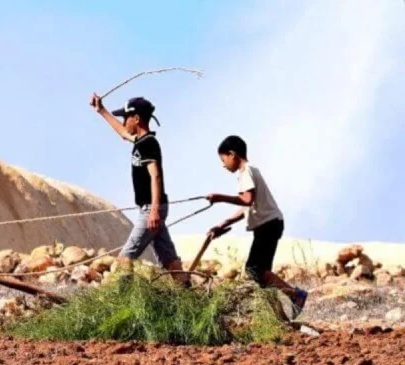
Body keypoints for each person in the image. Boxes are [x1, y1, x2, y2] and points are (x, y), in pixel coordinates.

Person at [89, 93, 189, 285]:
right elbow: (122, 133)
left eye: (125, 118)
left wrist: (153, 211)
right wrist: (101, 110)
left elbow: (156, 176)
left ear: (136, 118)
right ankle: (185, 289)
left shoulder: (149, 144)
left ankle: (122, 299)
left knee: (125, 257)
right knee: (168, 257)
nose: (124, 122)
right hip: (153, 207)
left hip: (151, 207)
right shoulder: (140, 142)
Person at [206, 135, 308, 318]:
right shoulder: (249, 172)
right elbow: (246, 206)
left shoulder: (245, 171)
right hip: (269, 224)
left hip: (268, 225)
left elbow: (246, 199)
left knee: (255, 270)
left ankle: (295, 295)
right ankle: (280, 317)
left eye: (223, 160)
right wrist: (222, 225)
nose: (223, 165)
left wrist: (219, 198)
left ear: (232, 154)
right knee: (260, 274)